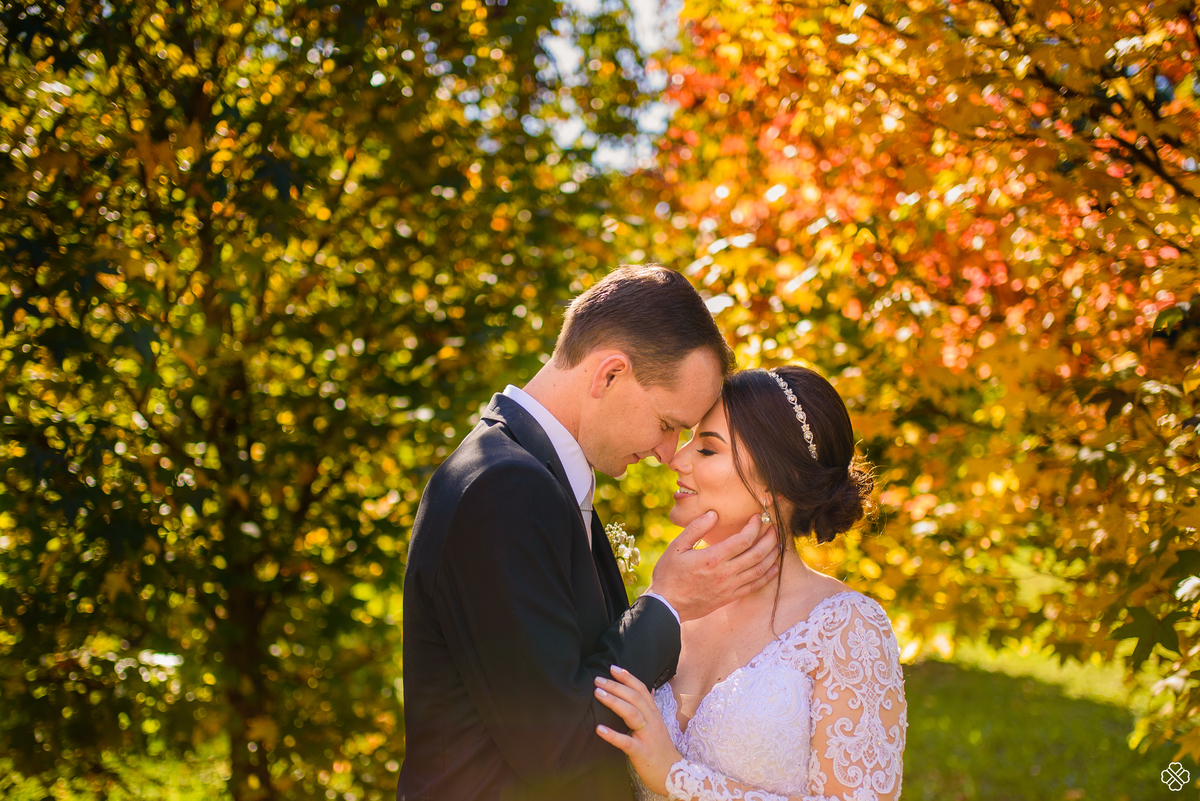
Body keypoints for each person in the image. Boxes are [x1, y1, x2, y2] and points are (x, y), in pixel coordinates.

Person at [399, 266, 784, 801]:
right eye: (668, 423)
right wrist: (666, 605)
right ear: (609, 375)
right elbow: (555, 746)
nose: (668, 453)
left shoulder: (534, 476)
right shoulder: (503, 486)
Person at [593, 365, 908, 801]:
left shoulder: (847, 629)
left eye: (706, 449)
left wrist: (678, 778)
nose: (676, 460)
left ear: (777, 483)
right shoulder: (667, 604)